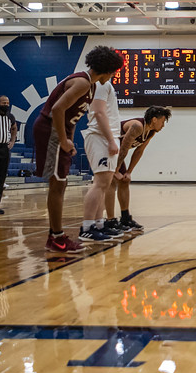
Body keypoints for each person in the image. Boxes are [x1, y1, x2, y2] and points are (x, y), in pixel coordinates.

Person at [33, 46, 124, 253]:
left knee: (61, 184)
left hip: (60, 131)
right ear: (108, 69)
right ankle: (56, 238)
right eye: (113, 72)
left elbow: (71, 117)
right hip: (51, 130)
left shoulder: (90, 86)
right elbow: (57, 109)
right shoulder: (83, 82)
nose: (112, 76)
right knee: (57, 184)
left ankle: (56, 235)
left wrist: (70, 140)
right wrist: (63, 140)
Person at [78, 78, 126, 242]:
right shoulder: (101, 83)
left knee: (104, 184)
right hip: (101, 137)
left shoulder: (105, 84)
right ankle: (87, 227)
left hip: (106, 138)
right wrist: (111, 140)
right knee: (99, 184)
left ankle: (99, 224)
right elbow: (98, 112)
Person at [113, 106, 172, 232]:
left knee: (124, 181)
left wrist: (129, 172)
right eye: (162, 121)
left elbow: (139, 151)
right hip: (107, 148)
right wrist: (116, 170)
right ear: (154, 120)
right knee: (109, 183)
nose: (163, 125)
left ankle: (125, 218)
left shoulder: (150, 132)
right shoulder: (137, 126)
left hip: (117, 153)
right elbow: (124, 147)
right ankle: (105, 221)